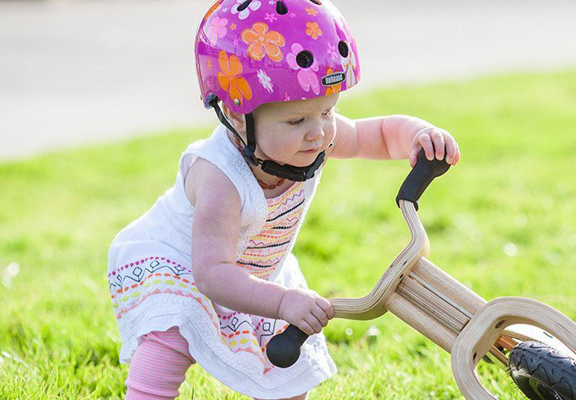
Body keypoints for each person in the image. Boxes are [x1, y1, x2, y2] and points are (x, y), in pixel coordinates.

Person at [107, 0, 460, 398]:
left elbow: (370, 135)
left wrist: (418, 134)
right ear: (238, 115)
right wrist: (281, 301)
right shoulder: (219, 178)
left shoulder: (313, 137)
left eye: (328, 112)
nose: (320, 133)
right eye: (297, 120)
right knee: (173, 331)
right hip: (182, 265)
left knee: (286, 366)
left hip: (258, 271)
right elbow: (211, 273)